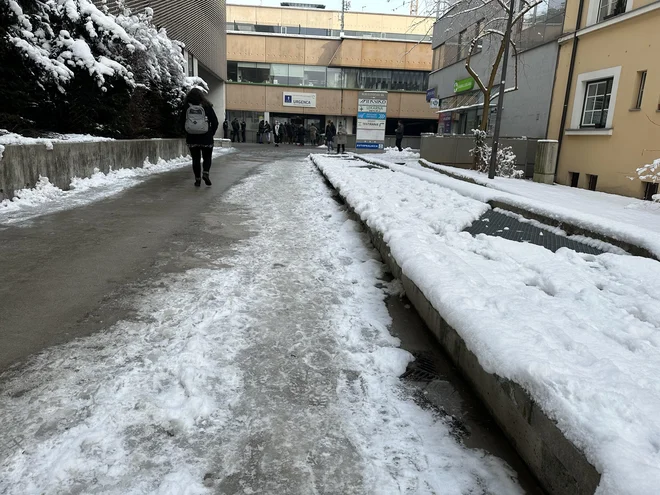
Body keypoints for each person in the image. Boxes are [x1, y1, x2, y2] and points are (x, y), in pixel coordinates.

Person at [181, 87, 218, 187]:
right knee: (207, 157)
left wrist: (187, 132)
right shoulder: (206, 106)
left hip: (192, 137)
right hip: (206, 137)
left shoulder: (186, 106)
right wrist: (211, 133)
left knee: (195, 159)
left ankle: (197, 179)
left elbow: (181, 122)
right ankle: (205, 173)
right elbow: (215, 121)